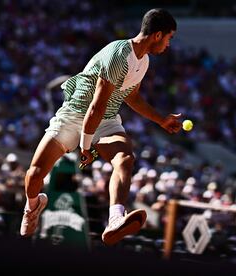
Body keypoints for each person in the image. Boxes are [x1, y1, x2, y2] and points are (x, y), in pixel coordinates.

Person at [20, 8, 181, 245]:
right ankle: (32, 206)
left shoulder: (143, 61)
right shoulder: (119, 55)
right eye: (170, 38)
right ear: (158, 35)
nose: (169, 44)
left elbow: (132, 97)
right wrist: (86, 148)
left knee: (125, 159)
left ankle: (116, 219)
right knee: (34, 176)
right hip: (75, 115)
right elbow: (95, 106)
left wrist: (161, 120)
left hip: (106, 120)